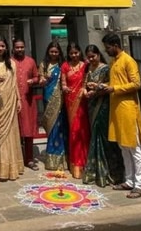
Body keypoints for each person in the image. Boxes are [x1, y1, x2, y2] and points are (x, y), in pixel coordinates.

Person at [101, 33, 141, 199]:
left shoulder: (128, 60)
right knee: (123, 147)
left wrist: (114, 89)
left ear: (115, 45)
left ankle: (140, 185)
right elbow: (115, 83)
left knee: (134, 148)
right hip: (117, 110)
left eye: (107, 47)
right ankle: (129, 180)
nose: (106, 51)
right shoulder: (114, 62)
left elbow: (136, 84)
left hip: (128, 109)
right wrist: (103, 86)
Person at [82, 44, 124, 187]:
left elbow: (110, 85)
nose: (91, 59)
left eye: (93, 56)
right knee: (94, 136)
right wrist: (85, 91)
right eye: (88, 57)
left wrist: (96, 89)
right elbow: (84, 83)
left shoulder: (106, 68)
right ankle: (96, 172)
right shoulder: (88, 68)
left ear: (99, 55)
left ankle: (112, 173)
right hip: (91, 105)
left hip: (103, 105)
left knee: (105, 137)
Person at [0, 36, 24, 180]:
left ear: (6, 48)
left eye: (3, 46)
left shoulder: (11, 63)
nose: (0, 48)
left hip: (10, 101)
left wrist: (19, 100)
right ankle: (1, 170)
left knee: (11, 135)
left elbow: (14, 83)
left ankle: (13, 168)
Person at [61, 42, 90, 179]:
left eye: (76, 53)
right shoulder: (65, 66)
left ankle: (86, 162)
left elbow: (86, 81)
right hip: (70, 101)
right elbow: (63, 83)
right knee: (74, 131)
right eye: (71, 53)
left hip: (82, 101)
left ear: (80, 52)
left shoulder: (85, 65)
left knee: (83, 131)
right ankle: (75, 165)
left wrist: (83, 90)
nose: (74, 55)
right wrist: (65, 88)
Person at [38, 40, 67, 171]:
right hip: (48, 98)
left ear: (59, 52)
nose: (54, 54)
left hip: (60, 99)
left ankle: (61, 157)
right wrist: (43, 80)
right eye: (52, 51)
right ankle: (51, 158)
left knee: (59, 128)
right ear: (48, 52)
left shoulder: (63, 65)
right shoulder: (43, 64)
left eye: (56, 52)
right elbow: (40, 79)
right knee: (50, 127)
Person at [12, 38, 40, 170]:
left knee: (28, 131)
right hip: (13, 101)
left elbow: (37, 76)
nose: (19, 49)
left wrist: (33, 81)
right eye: (17, 47)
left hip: (27, 101)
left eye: (21, 47)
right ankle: (16, 160)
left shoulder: (31, 61)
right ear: (13, 48)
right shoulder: (9, 62)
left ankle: (29, 159)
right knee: (15, 131)